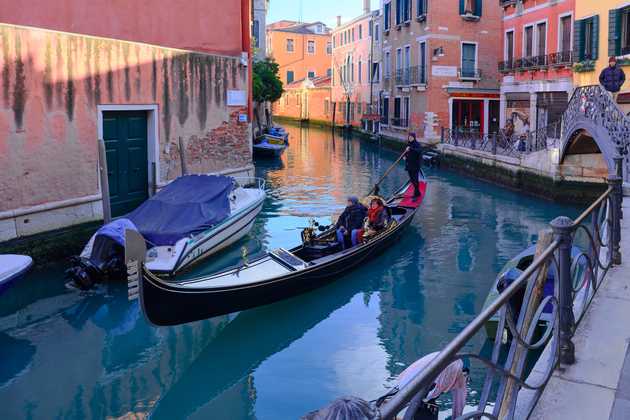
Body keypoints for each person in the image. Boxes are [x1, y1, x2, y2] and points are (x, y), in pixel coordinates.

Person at [404, 133, 422, 199]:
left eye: (411, 137)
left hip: (415, 165)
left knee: (415, 179)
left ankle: (416, 193)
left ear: (414, 137)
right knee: (412, 179)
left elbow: (418, 151)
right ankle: (417, 192)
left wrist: (410, 148)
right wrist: (405, 156)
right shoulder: (408, 144)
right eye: (409, 137)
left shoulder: (417, 144)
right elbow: (406, 152)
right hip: (409, 165)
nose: (410, 138)